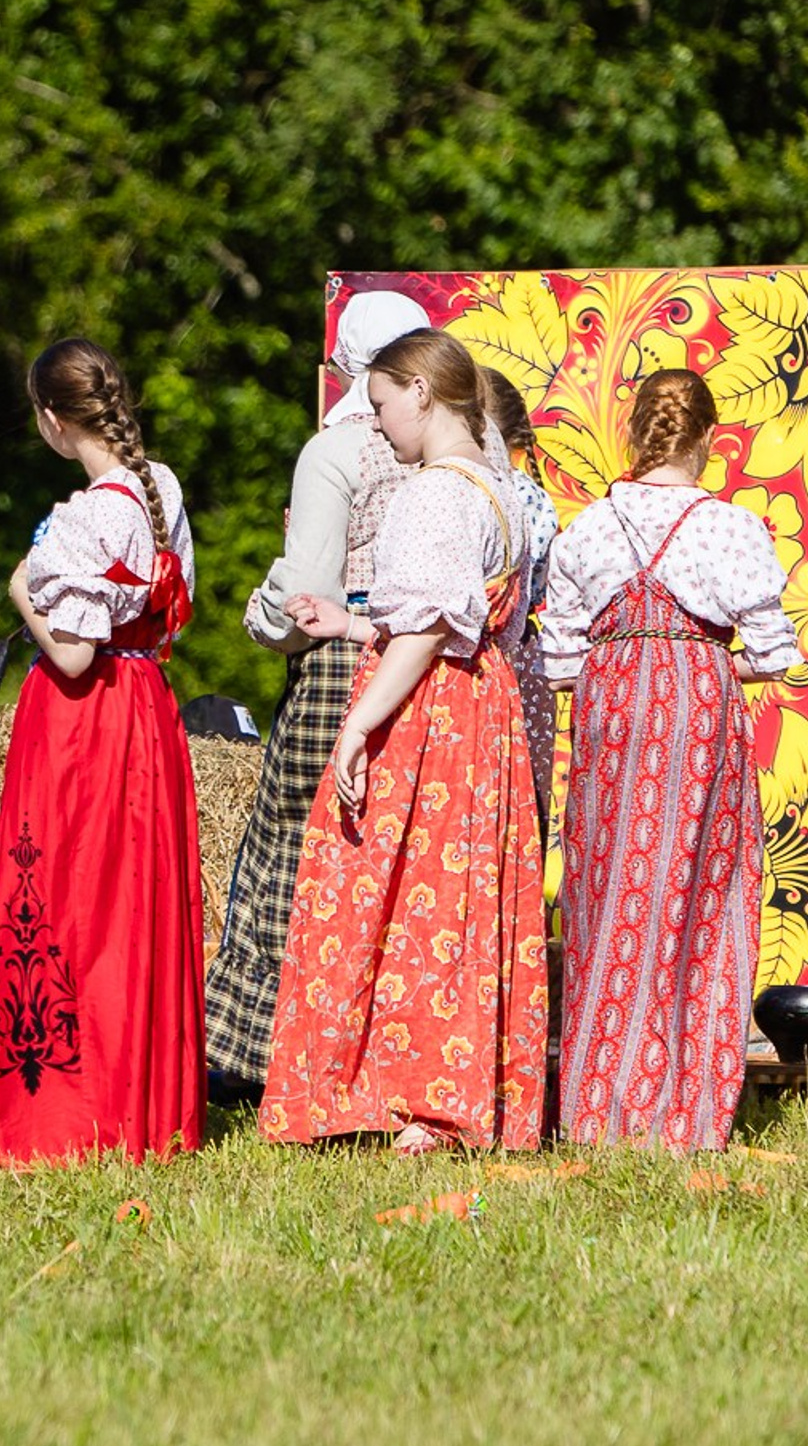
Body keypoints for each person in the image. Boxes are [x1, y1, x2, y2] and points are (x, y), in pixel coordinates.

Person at [259, 329, 547, 1156]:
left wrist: (357, 726)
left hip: (431, 716)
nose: (377, 425)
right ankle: (443, 1093)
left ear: (422, 393)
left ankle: (406, 1094)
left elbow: (424, 631)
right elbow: (450, 618)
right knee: (453, 899)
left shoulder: (433, 494)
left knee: (392, 888)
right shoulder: (495, 489)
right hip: (477, 707)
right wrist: (350, 622)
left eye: (382, 405)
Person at [542, 368, 798, 1152]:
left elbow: (559, 661)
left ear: (633, 434)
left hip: (612, 713)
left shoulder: (586, 527)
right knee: (700, 892)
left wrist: (633, 659)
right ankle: (682, 1113)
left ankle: (599, 1109)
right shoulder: (730, 528)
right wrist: (700, 659)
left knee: (607, 891)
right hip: (697, 710)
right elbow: (776, 654)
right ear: (711, 442)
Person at [0, 339, 204, 1166]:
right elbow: (171, 611)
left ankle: (73, 1112)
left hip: (83, 720)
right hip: (145, 706)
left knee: (72, 897)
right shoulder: (158, 487)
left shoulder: (83, 517)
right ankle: (146, 1098)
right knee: (132, 895)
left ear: (50, 419)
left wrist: (24, 590)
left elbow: (71, 652)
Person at [203, 289, 426, 1102]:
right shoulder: (463, 444)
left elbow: (306, 593)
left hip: (342, 665)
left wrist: (259, 619)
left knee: (292, 850)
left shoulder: (338, 452)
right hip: (432, 669)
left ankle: (260, 1058)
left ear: (347, 368)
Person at [480, 366, 561, 831]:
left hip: (480, 655)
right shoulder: (537, 499)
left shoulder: (463, 489)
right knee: (523, 810)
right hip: (526, 658)